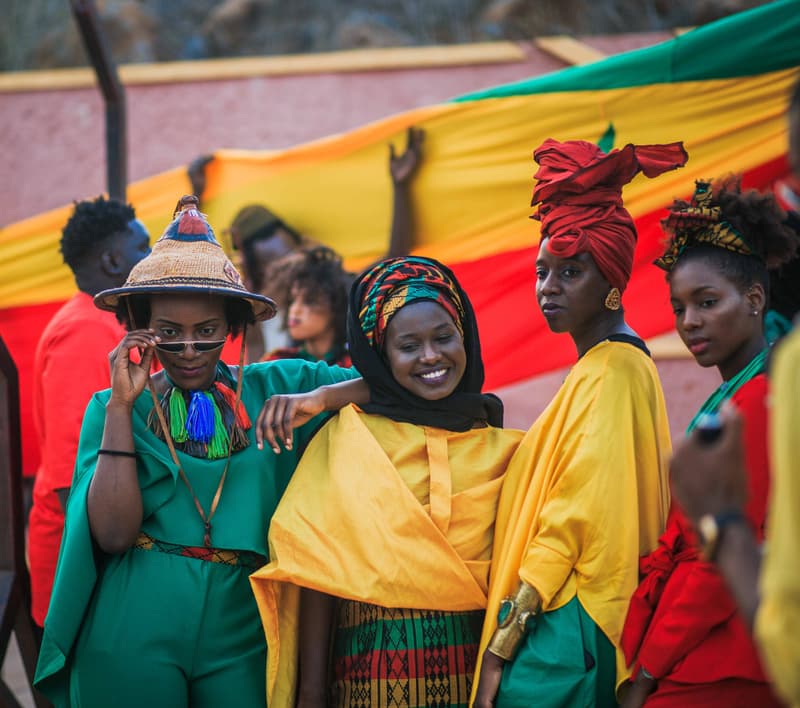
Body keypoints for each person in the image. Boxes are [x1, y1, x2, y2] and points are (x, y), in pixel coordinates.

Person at [33, 196, 367, 708]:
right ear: (142, 327)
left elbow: (390, 383)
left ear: (233, 327)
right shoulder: (113, 405)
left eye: (206, 333)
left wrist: (319, 398)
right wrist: (123, 406)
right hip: (134, 620)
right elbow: (116, 534)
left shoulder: (284, 384)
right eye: (169, 333)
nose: (189, 350)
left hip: (242, 624)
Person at [249, 256, 524, 708]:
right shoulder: (350, 438)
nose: (431, 355)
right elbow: (319, 571)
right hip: (366, 681)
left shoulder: (502, 449)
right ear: (382, 358)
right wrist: (312, 692)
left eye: (443, 337)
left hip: (475, 687)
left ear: (466, 337)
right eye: (408, 345)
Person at [472, 138, 687, 708]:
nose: (548, 288)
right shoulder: (604, 365)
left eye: (571, 272)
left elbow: (574, 514)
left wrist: (503, 642)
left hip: (568, 620)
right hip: (571, 613)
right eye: (543, 272)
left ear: (613, 279)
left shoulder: (613, 369)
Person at [620, 176, 798, 707]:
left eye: (707, 301)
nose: (689, 322)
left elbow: (716, 565)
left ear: (754, 298)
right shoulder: (739, 396)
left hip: (720, 668)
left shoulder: (758, 403)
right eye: (678, 308)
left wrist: (647, 673)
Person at [191, 126, 425, 361]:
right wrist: (194, 200)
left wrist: (400, 186)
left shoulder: (334, 288)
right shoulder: (256, 316)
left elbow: (395, 260)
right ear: (259, 274)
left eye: (292, 256)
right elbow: (187, 281)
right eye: (276, 267)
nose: (290, 269)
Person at [27, 196, 151, 631]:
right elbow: (71, 476)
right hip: (80, 560)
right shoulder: (83, 332)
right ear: (115, 260)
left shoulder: (104, 323)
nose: (152, 257)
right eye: (144, 248)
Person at [263, 245, 352, 367]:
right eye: (291, 300)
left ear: (336, 307)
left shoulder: (356, 365)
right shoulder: (276, 363)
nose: (294, 310)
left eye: (309, 301)